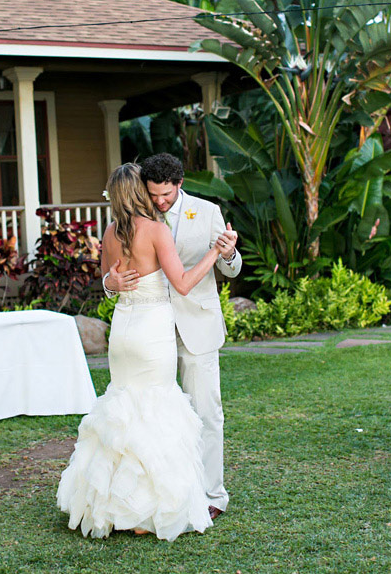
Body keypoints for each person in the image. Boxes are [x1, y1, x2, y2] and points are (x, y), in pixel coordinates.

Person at [57, 163, 221, 540]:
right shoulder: (156, 231)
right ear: (140, 193)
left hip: (122, 332)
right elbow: (180, 284)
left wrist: (110, 282)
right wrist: (212, 253)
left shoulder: (111, 232)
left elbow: (107, 282)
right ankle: (146, 512)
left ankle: (115, 508)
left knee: (124, 407)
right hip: (150, 331)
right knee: (155, 409)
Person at [103, 153, 241, 521]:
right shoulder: (136, 220)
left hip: (195, 326)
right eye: (154, 195)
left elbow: (232, 266)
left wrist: (226, 254)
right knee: (157, 416)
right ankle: (168, 493)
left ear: (180, 184)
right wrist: (109, 283)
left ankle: (212, 495)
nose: (160, 201)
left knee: (204, 414)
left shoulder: (208, 211)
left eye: (166, 194)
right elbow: (112, 273)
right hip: (153, 332)